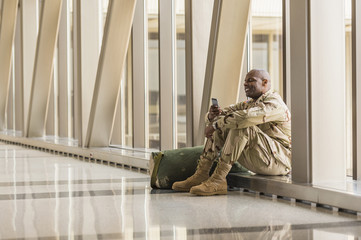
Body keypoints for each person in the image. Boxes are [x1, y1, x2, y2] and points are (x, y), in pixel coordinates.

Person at [172, 69, 292, 196]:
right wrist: (212, 116)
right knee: (227, 123)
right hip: (261, 158)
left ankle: (218, 179)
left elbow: (245, 118)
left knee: (242, 124)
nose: (245, 84)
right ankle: (201, 174)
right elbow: (225, 114)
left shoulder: (274, 103)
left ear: (265, 82)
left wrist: (215, 125)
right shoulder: (250, 103)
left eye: (251, 81)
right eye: (245, 81)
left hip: (278, 162)